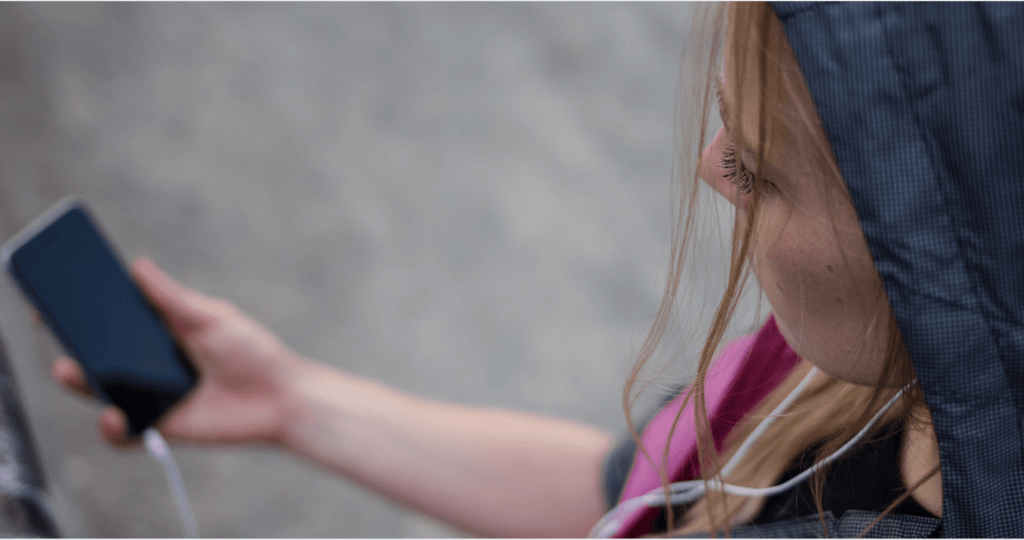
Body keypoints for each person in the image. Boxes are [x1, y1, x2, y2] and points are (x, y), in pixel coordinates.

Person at [52, 2, 1024, 537]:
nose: (711, 167)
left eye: (760, 169)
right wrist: (298, 403)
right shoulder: (833, 377)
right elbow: (634, 498)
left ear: (936, 246)